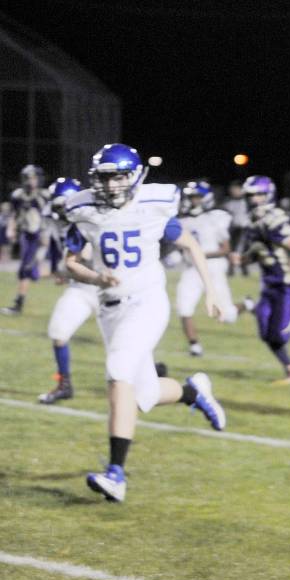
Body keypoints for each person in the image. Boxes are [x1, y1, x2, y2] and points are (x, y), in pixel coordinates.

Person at [63, 143, 227, 502]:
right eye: (106, 178)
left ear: (135, 177)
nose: (112, 186)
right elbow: (71, 262)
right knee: (146, 394)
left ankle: (115, 474)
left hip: (148, 302)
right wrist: (94, 278)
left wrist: (211, 291)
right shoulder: (83, 209)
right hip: (110, 309)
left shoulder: (155, 206)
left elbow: (190, 245)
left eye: (119, 177)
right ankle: (193, 392)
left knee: (118, 371)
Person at [234, 175, 290, 384]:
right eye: (251, 195)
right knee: (266, 333)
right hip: (268, 284)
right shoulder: (252, 222)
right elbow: (254, 256)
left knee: (279, 335)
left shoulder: (274, 218)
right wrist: (242, 259)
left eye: (259, 194)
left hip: (285, 283)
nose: (255, 199)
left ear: (269, 195)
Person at [37, 178, 96, 404]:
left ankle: (151, 370)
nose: (59, 211)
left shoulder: (92, 219)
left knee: (123, 346)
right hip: (81, 287)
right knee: (59, 332)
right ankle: (64, 385)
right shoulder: (59, 223)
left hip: (107, 290)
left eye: (63, 206)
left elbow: (86, 258)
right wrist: (60, 271)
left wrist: (64, 268)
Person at [177, 180, 238, 356]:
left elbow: (226, 249)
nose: (194, 201)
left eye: (197, 197)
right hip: (191, 269)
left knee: (228, 315)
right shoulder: (183, 220)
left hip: (213, 268)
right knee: (183, 306)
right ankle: (194, 346)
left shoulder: (215, 218)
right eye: (191, 197)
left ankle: (247, 305)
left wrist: (200, 254)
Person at [1, 165, 50, 315]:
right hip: (25, 236)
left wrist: (47, 235)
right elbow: (14, 215)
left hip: (39, 235)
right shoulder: (18, 196)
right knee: (29, 270)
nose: (30, 181)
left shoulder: (44, 196)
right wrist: (11, 228)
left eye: (33, 178)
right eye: (27, 178)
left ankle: (18, 304)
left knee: (26, 269)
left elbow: (50, 218)